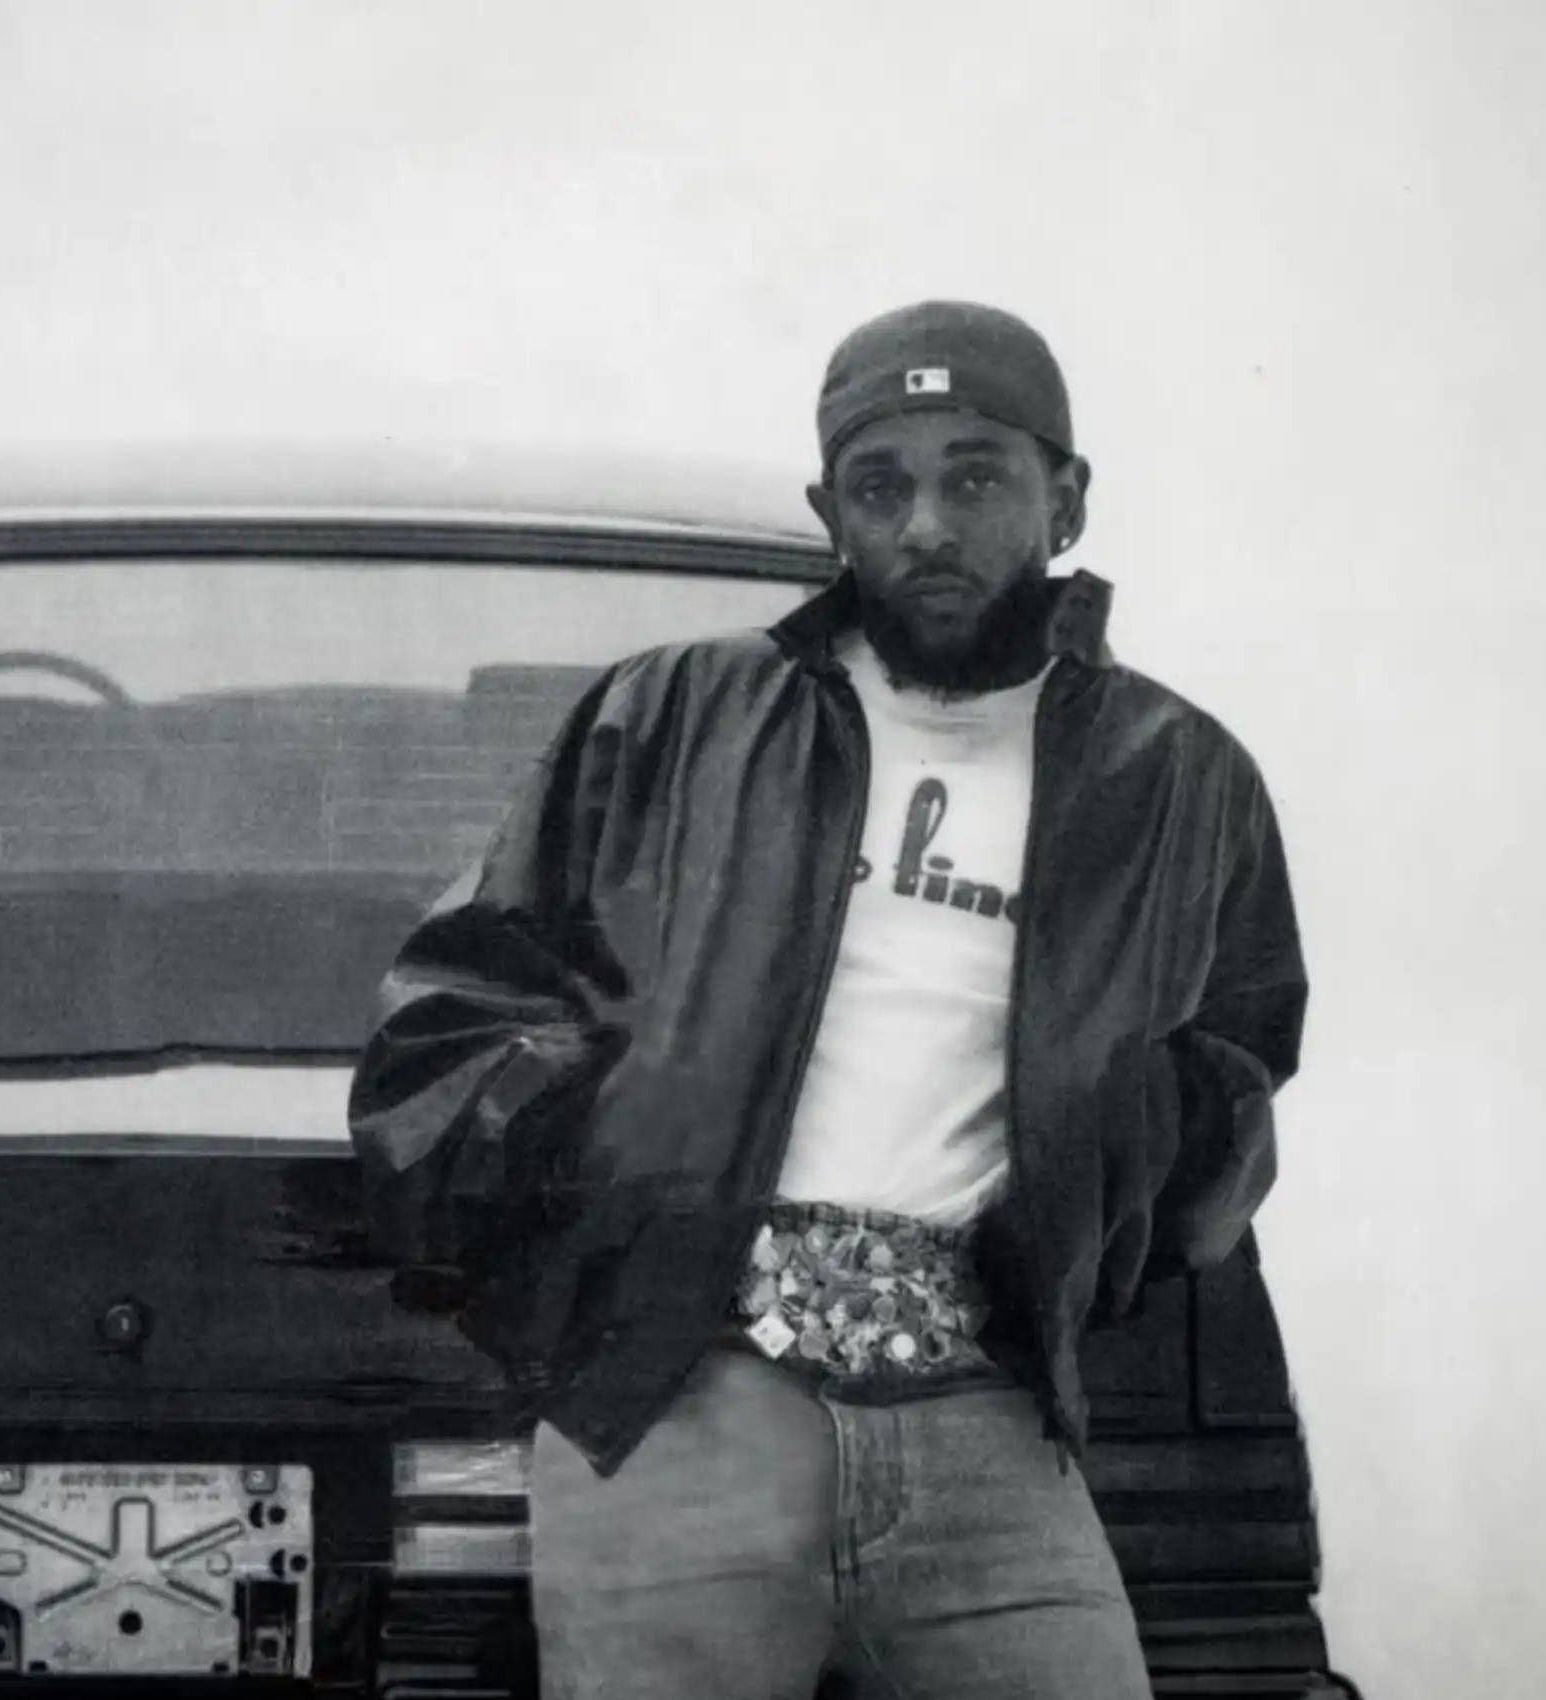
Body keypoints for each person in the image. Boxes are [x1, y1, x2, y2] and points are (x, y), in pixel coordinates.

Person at [348, 300, 1307, 1699]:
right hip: (684, 1406)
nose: (926, 525)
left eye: (974, 477)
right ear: (829, 515)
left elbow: (1236, 1069)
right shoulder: (673, 717)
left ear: (1066, 500)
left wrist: (1102, 1205)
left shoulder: (1179, 778)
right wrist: (621, 1208)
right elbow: (454, 1016)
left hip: (986, 1413)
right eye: (880, 486)